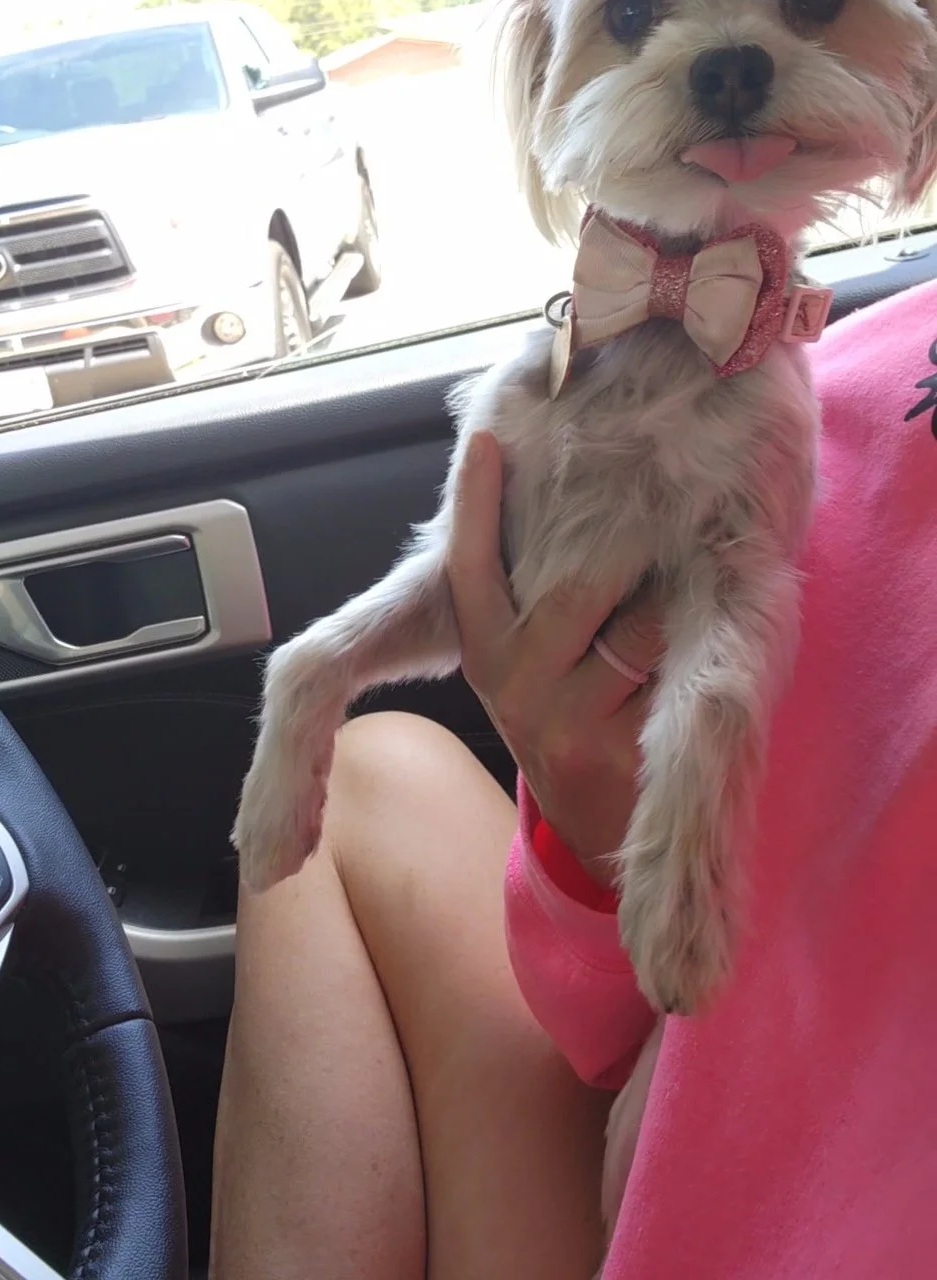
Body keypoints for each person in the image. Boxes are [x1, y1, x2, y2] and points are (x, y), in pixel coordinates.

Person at [209, 280, 937, 1280]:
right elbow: (608, 1019)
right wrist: (593, 830)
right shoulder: (840, 355)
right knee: (371, 781)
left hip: (803, 1193)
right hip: (693, 1074)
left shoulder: (795, 377)